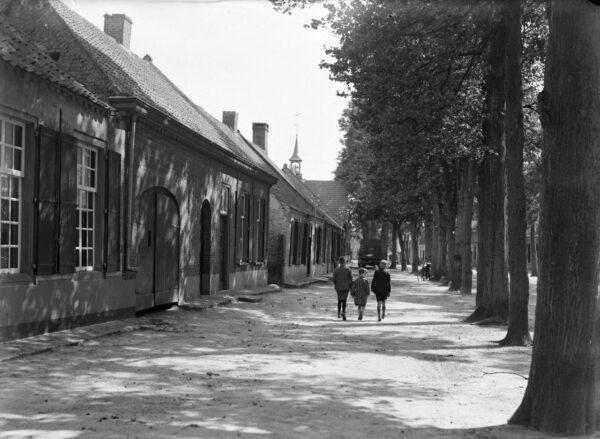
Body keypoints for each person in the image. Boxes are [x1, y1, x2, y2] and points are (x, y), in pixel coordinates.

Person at [332, 256, 353, 320]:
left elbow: (334, 279)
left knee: (339, 300)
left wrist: (336, 284)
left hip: (338, 287)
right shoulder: (348, 270)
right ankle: (343, 312)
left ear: (339, 262)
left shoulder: (336, 269)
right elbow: (351, 279)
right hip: (346, 287)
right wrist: (350, 286)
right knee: (344, 300)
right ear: (345, 262)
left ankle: (338, 313)